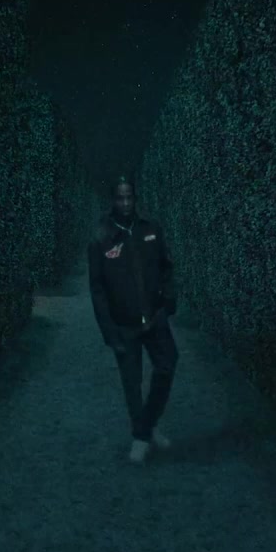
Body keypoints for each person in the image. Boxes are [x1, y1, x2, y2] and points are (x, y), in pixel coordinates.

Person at [87, 175, 180, 464]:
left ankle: (146, 426)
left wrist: (168, 301)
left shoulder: (151, 229)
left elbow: (166, 267)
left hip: (154, 318)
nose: (125, 203)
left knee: (167, 364)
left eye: (129, 197)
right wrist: (109, 332)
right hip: (123, 325)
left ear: (135, 198)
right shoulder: (101, 238)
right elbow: (97, 290)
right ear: (113, 200)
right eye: (120, 198)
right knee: (132, 382)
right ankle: (142, 436)